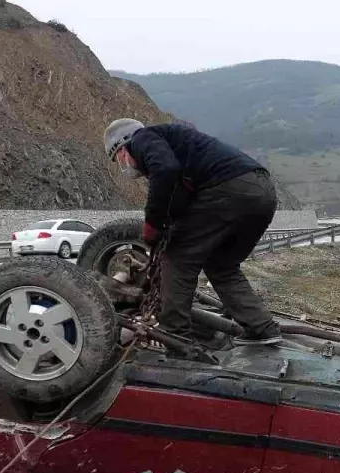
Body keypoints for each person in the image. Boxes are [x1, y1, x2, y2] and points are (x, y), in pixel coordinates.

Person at [103, 118, 282, 349]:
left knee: (177, 257)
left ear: (124, 145)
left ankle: (174, 334)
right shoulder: (177, 145)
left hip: (230, 189)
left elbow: (165, 170)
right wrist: (168, 223)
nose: (122, 163)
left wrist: (153, 224)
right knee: (221, 265)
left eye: (118, 156)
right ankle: (262, 328)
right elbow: (182, 198)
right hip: (261, 193)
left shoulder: (142, 138)